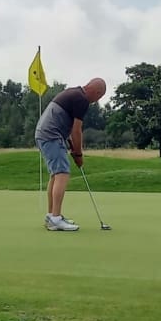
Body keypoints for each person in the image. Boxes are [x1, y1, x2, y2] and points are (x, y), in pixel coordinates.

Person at [34, 78, 107, 231]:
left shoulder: (74, 92)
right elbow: (76, 130)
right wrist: (79, 154)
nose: (96, 101)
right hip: (51, 135)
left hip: (45, 134)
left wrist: (74, 149)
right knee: (62, 173)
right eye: (99, 97)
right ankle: (55, 219)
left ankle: (52, 216)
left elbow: (67, 126)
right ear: (96, 92)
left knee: (56, 175)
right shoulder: (82, 100)